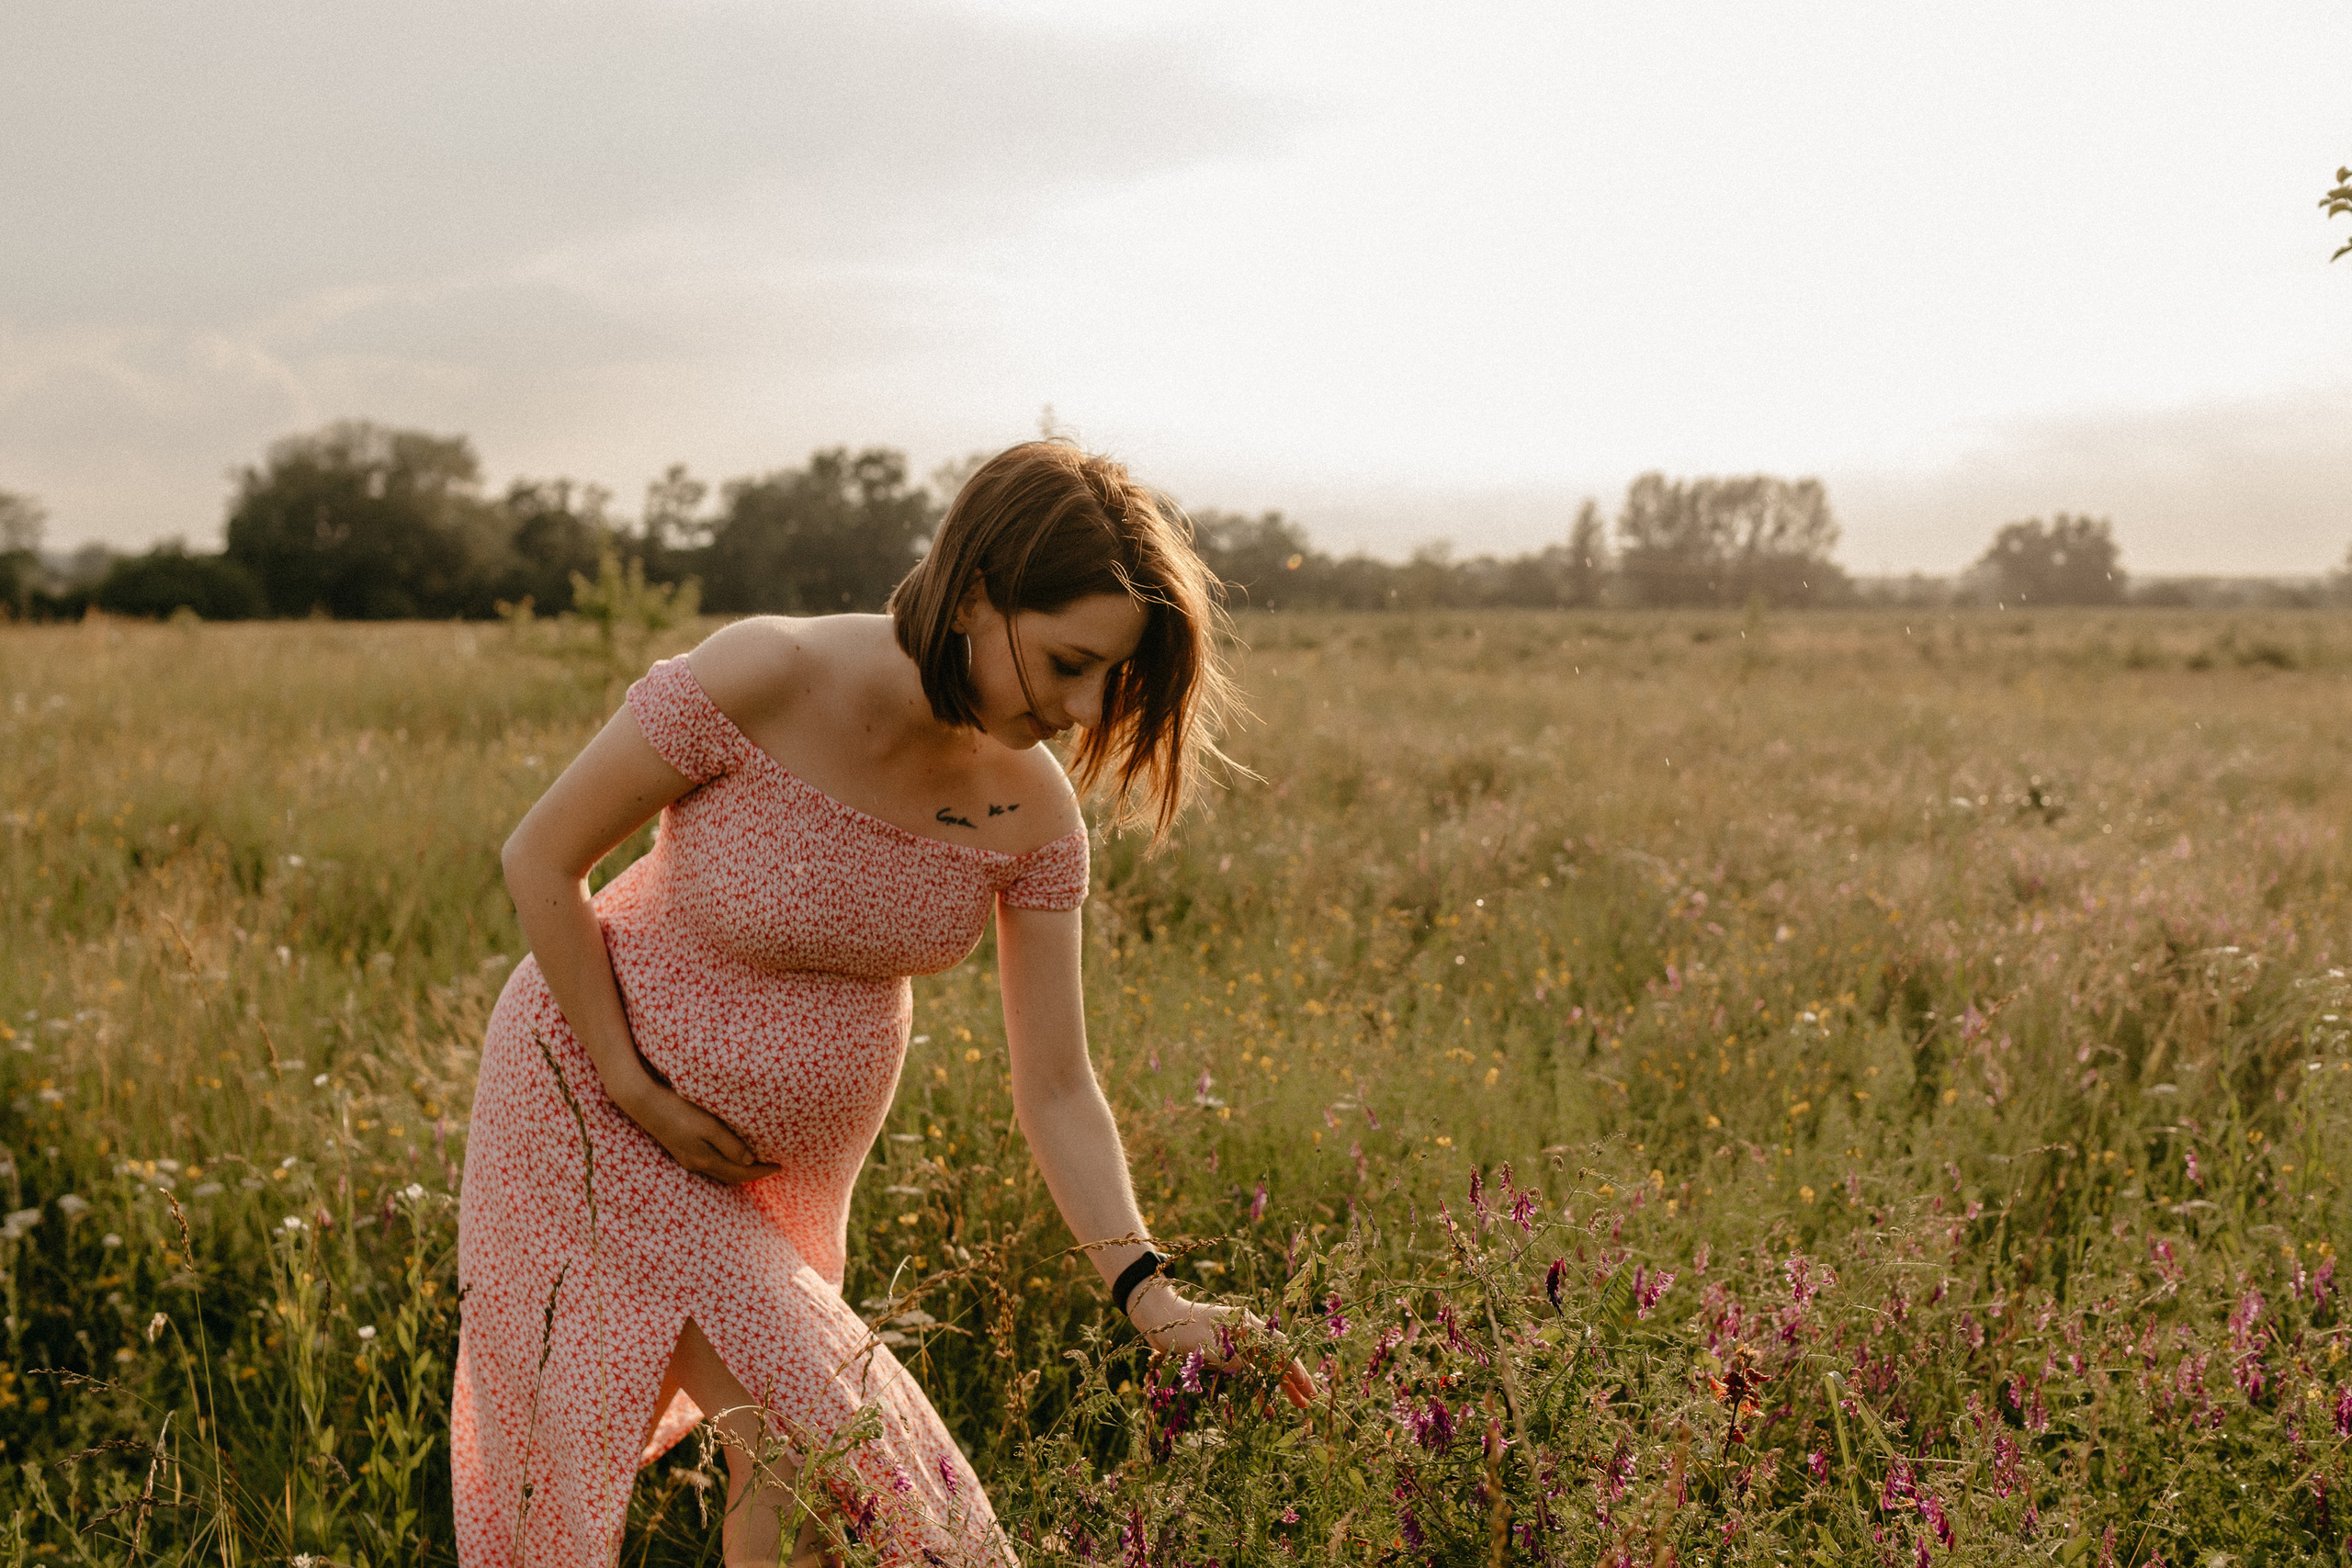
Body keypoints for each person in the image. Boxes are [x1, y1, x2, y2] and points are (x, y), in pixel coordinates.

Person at [451, 440, 1314, 1567]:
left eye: (1112, 677)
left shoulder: (1027, 806)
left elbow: (1058, 1084)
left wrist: (1148, 1293)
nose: (1084, 705)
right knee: (836, 1455)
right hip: (591, 1114)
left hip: (782, 1187)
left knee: (794, 1494)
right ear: (971, 595)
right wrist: (634, 1085)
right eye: (1066, 660)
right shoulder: (764, 674)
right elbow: (540, 858)